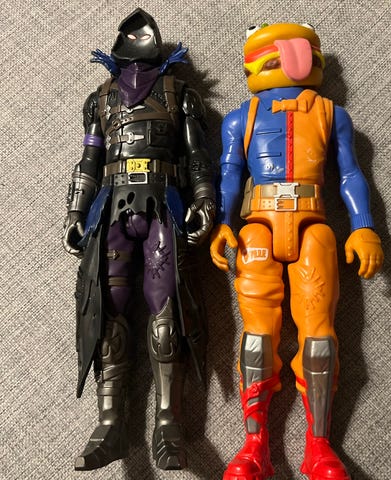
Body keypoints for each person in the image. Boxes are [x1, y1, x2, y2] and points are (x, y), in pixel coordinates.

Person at [210, 23, 384, 480]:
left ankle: (319, 448)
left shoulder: (331, 113)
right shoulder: (240, 118)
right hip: (258, 228)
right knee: (256, 338)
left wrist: (363, 227)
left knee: (320, 338)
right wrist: (223, 223)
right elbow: (229, 175)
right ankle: (254, 446)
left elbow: (350, 174)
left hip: (313, 226)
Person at [62, 8, 215, 471]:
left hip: (163, 204)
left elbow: (196, 153)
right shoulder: (100, 99)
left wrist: (204, 198)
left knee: (167, 308)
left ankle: (168, 420)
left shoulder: (180, 94)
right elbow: (89, 160)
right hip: (110, 206)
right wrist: (75, 212)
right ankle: (110, 422)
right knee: (106, 306)